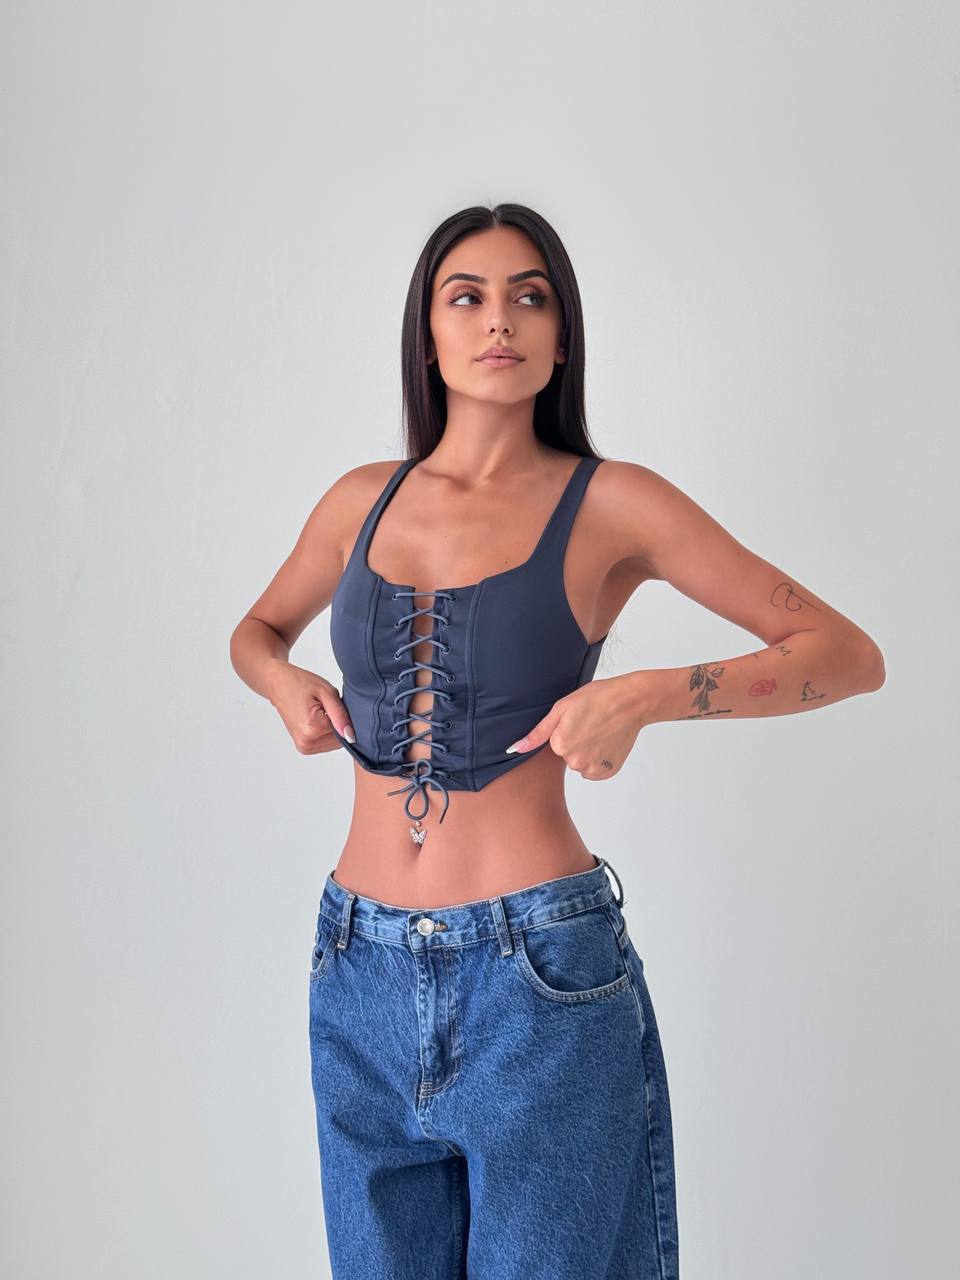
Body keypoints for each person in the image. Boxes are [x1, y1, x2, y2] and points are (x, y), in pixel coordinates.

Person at [229, 203, 885, 1279]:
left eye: (530, 297)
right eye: (468, 297)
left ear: (563, 334)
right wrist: (281, 681)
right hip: (355, 963)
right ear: (428, 334)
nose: (501, 321)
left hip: (534, 969)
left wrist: (650, 692)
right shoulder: (360, 499)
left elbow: (846, 652)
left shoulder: (612, 502)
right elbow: (254, 630)